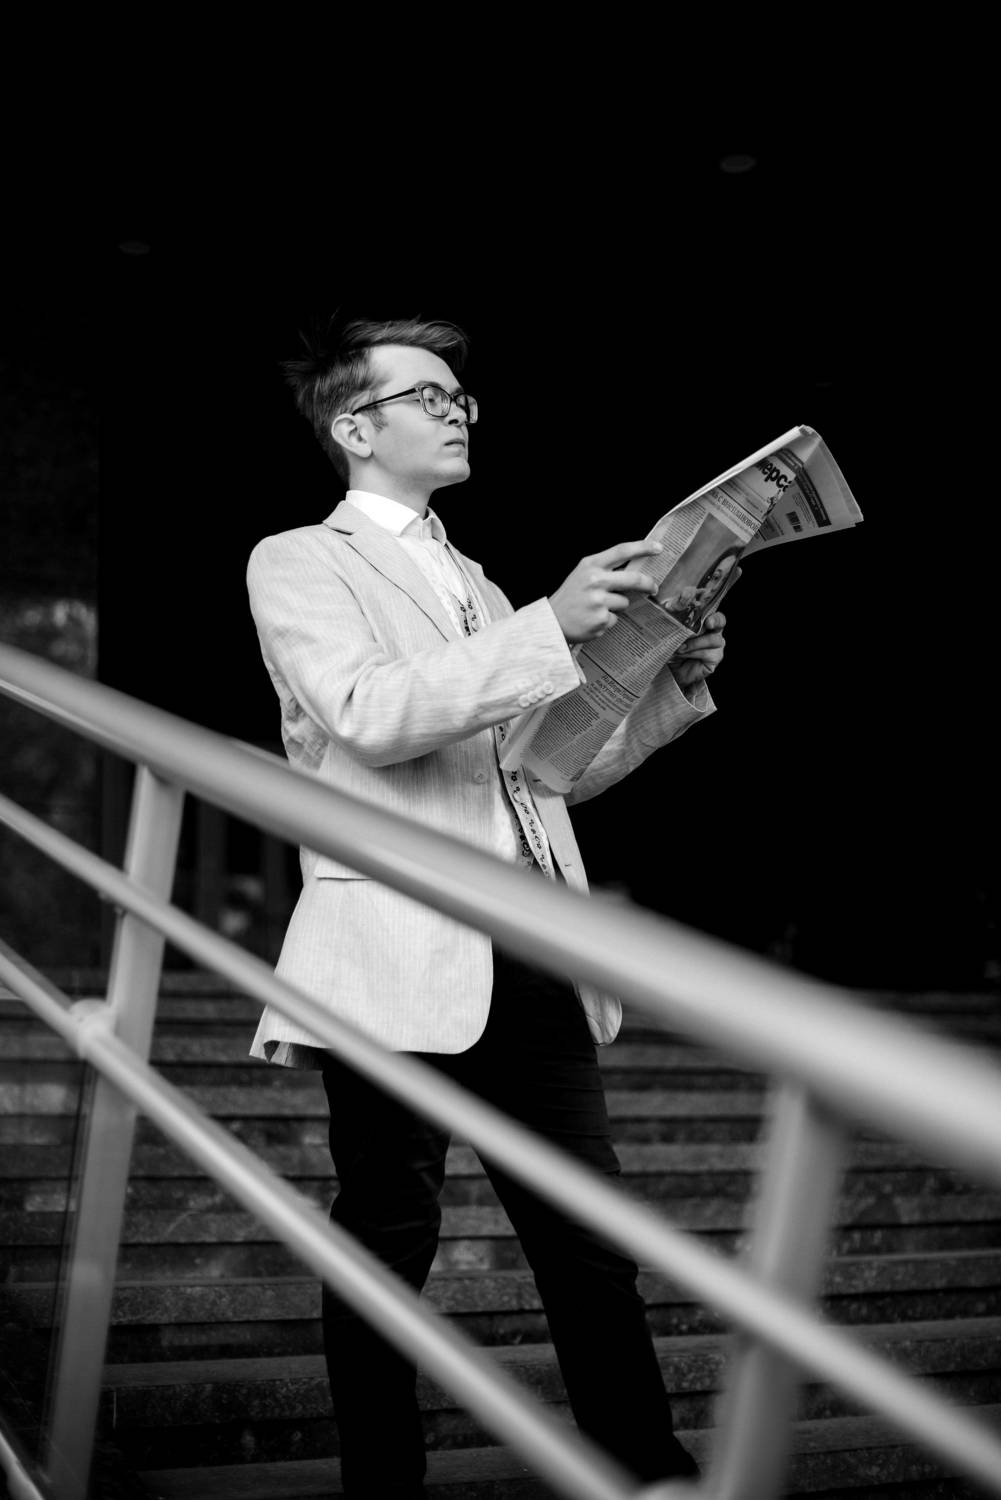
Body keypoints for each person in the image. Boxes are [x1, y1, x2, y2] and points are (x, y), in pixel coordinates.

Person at [246, 315, 726, 1498]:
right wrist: (546, 626)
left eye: (460, 396)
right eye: (428, 394)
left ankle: (643, 1471)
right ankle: (383, 1485)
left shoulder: (479, 583)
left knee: (588, 1239)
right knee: (388, 1234)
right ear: (355, 427)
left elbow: (539, 772)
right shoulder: (297, 560)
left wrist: (661, 684)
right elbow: (369, 712)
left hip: (530, 945)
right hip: (390, 945)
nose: (459, 410)